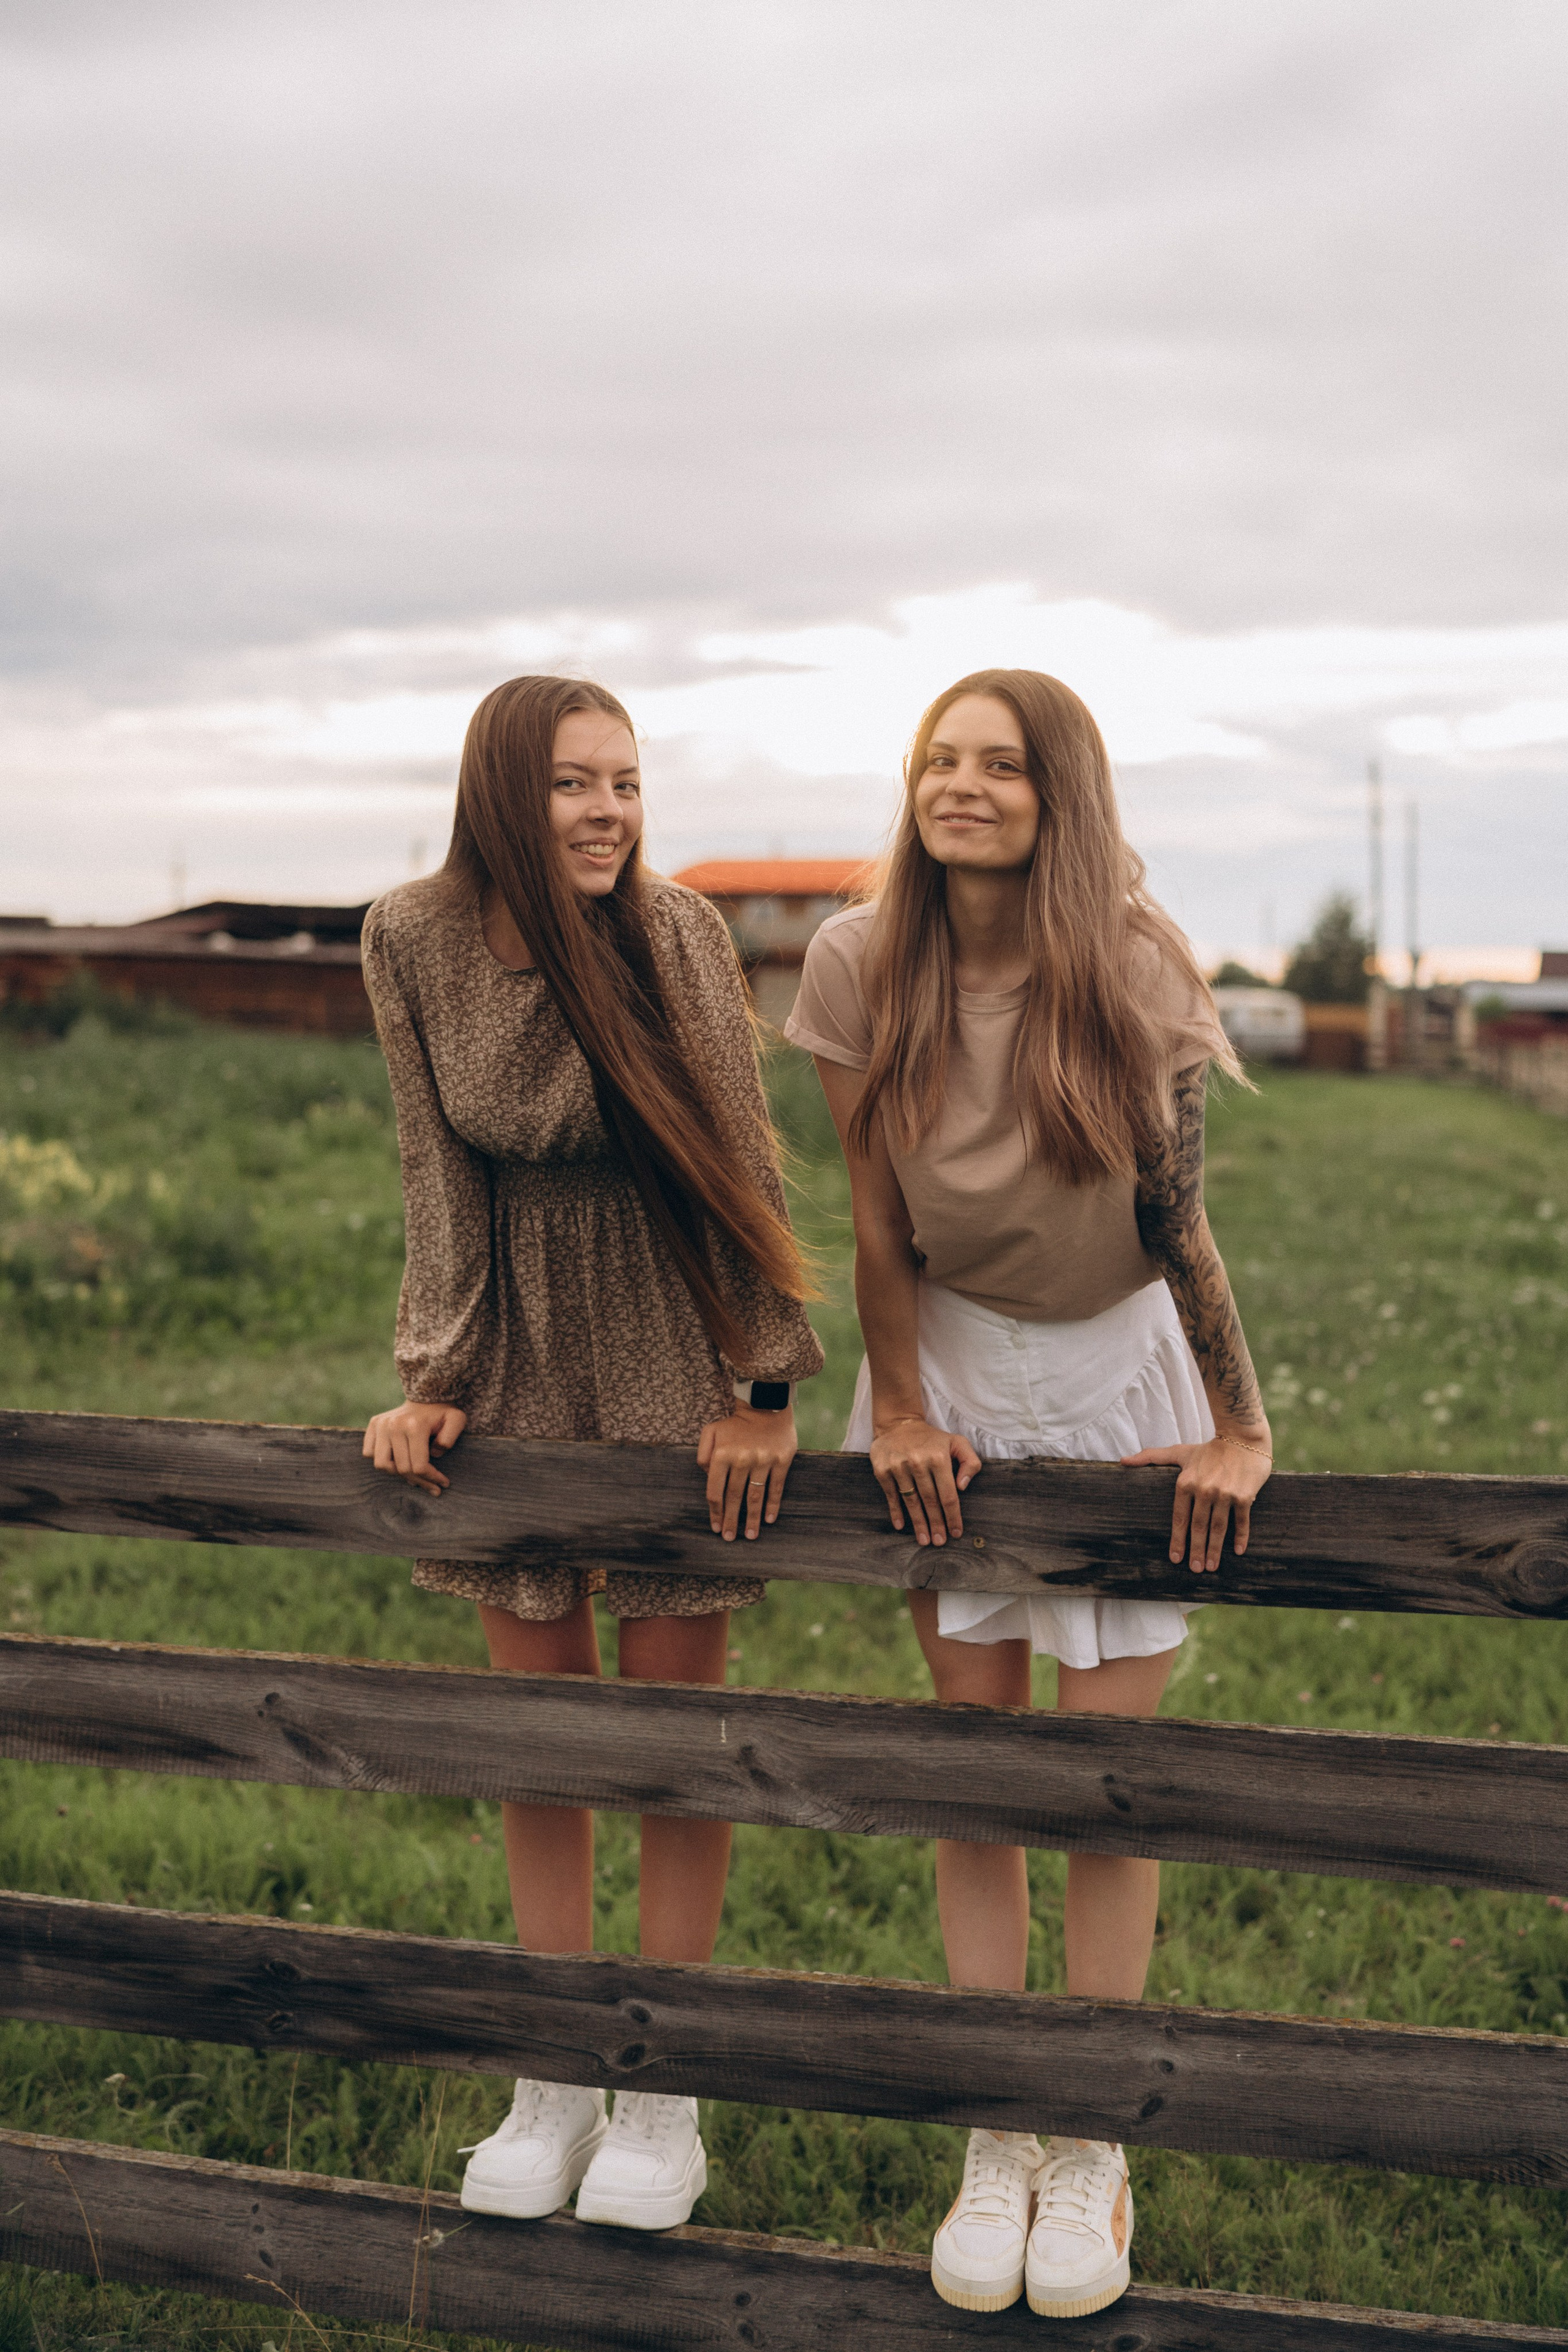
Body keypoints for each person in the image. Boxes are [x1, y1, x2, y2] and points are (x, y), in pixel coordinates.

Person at [785, 668, 1272, 2320]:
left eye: (999, 764)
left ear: (1060, 797)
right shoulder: (860, 961)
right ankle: (999, 2129)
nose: (962, 785)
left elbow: (1180, 1220)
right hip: (962, 1372)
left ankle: (1092, 2144)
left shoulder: (1132, 963)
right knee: (979, 1774)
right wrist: (905, 1406)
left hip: (1125, 1364)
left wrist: (1241, 1424)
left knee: (1102, 1783)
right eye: (940, 759)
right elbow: (871, 1216)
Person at [360, 674, 823, 2233]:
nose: (608, 812)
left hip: (668, 1320)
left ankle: (662, 2084)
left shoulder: (671, 932)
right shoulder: (408, 935)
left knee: (668, 1741)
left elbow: (740, 1158)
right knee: (537, 1733)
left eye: (624, 782)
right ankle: (552, 2072)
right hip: (514, 1353)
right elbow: (435, 1165)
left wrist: (757, 1387)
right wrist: (433, 1372)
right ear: (505, 788)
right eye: (573, 784)